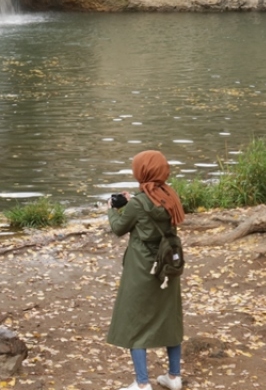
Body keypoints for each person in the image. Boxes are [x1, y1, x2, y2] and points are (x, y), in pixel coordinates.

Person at [106, 150, 186, 390]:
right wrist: (135, 203)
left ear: (141, 171)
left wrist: (111, 208)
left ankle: (142, 384)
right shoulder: (171, 197)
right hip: (167, 266)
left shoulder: (139, 203)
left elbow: (119, 228)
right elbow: (155, 214)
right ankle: (174, 377)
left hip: (141, 268)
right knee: (169, 318)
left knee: (134, 320)